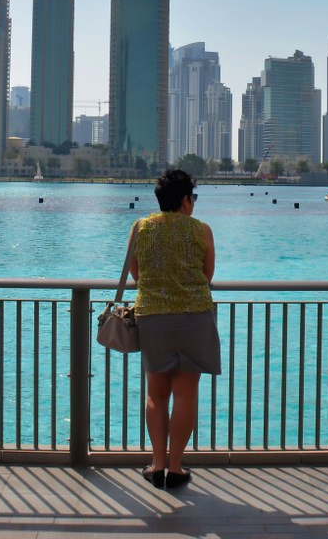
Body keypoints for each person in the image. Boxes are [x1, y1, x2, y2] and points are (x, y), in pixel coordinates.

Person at [127, 168, 218, 490]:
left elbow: (136, 274)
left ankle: (157, 465)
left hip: (153, 317)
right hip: (195, 317)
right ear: (185, 200)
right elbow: (207, 275)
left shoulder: (141, 228)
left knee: (156, 393)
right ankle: (176, 467)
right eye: (193, 197)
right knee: (185, 394)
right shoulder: (201, 230)